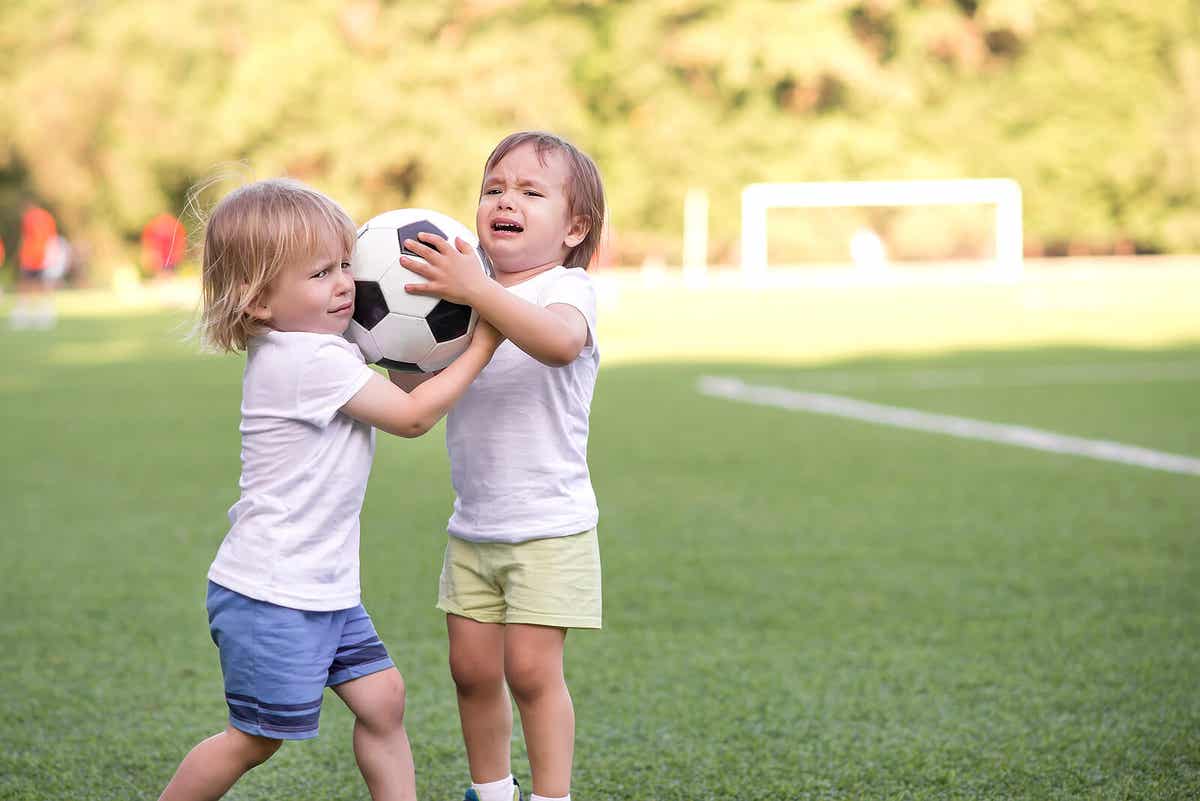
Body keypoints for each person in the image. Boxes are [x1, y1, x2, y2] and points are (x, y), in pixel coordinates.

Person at [157, 178, 503, 801]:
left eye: (347, 264)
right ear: (258, 300)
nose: (345, 283)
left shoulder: (316, 347)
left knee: (382, 701)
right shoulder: (306, 361)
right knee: (255, 738)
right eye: (321, 273)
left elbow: (396, 393)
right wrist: (481, 342)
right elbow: (411, 417)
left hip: (321, 587)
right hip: (274, 593)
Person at [397, 131, 606, 801]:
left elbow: (559, 342)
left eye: (529, 191)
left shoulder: (566, 289)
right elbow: (411, 392)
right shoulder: (457, 305)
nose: (505, 200)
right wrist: (383, 339)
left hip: (551, 526)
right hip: (475, 525)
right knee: (471, 669)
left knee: (531, 671)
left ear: (574, 227)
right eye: (493, 188)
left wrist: (478, 292)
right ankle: (491, 790)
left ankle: (551, 795)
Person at [12, 203, 56, 329]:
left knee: (26, 285)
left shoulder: (28, 216)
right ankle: (44, 312)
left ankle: (24, 312)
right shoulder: (48, 216)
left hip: (30, 256)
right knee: (42, 285)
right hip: (42, 256)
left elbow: (25, 237)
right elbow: (51, 239)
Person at [142, 212, 188, 277]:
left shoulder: (155, 227)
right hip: (165, 258)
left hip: (167, 258)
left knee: (167, 274)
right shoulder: (173, 226)